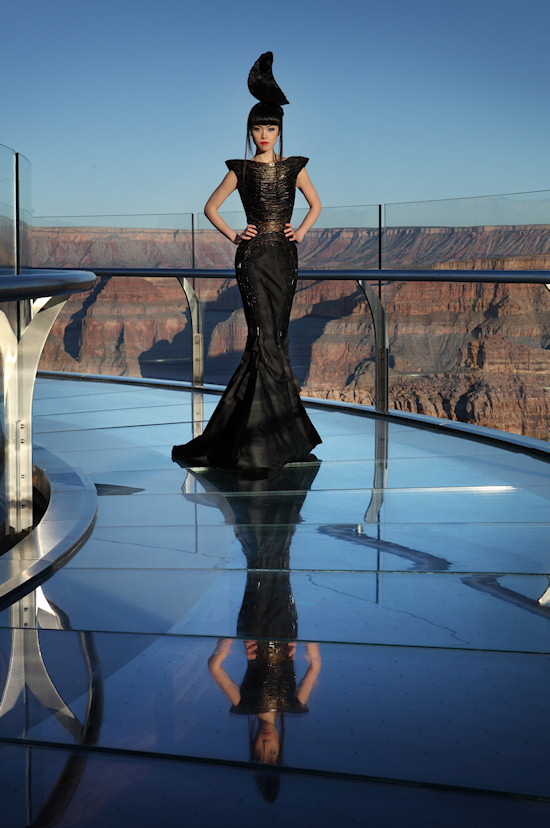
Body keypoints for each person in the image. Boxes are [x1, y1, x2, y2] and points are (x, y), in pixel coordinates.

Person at [172, 52, 322, 475]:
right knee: (262, 338)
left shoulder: (295, 167)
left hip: (285, 256)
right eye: (258, 128)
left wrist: (302, 231)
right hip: (254, 258)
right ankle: (258, 443)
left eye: (270, 128)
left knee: (278, 337)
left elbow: (317, 204)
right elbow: (210, 208)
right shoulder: (240, 169)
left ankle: (280, 436)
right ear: (250, 131)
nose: (264, 134)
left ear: (279, 130)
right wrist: (235, 233)